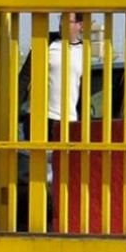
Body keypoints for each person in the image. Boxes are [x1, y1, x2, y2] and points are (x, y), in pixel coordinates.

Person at [17, 12, 84, 229]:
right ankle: (34, 221)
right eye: (61, 20)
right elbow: (24, 78)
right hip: (40, 117)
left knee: (65, 174)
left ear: (80, 25)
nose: (63, 24)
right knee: (36, 173)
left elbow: (84, 88)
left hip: (69, 121)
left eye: (68, 21)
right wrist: (14, 109)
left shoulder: (85, 51)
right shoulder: (45, 43)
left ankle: (61, 219)